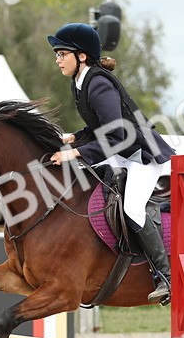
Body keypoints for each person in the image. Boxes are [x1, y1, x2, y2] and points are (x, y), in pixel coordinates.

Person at [48, 22, 176, 303]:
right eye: (57, 54)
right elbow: (100, 128)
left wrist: (76, 152)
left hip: (141, 154)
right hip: (121, 153)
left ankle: (165, 276)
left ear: (81, 56)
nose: (57, 59)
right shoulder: (80, 83)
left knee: (132, 208)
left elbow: (117, 133)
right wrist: (74, 137)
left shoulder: (99, 83)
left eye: (61, 53)